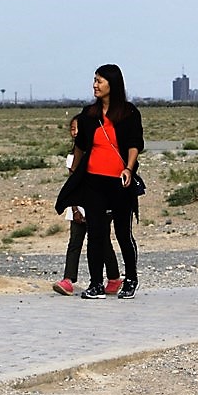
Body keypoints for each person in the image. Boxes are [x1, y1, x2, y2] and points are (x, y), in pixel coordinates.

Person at [56, 64, 144, 300]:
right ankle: (96, 284)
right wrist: (75, 173)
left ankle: (131, 280)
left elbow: (135, 144)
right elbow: (81, 146)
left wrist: (128, 168)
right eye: (94, 80)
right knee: (96, 232)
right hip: (94, 181)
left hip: (120, 181)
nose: (95, 85)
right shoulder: (89, 114)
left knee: (123, 232)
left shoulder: (129, 113)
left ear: (112, 84)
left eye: (99, 81)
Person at [52, 114, 121, 297]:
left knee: (102, 242)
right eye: (72, 129)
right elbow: (73, 186)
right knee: (75, 243)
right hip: (79, 206)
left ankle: (114, 278)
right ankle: (68, 280)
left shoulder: (100, 154)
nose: (75, 133)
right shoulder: (72, 157)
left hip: (99, 206)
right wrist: (75, 209)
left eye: (78, 129)